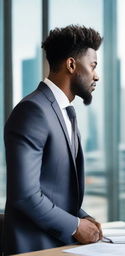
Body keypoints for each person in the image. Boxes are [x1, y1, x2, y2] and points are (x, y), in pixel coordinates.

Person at [3, 25, 103, 255]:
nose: (96, 75)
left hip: (60, 246)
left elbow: (56, 190)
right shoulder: (33, 111)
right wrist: (76, 227)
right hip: (35, 248)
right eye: (93, 65)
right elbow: (26, 195)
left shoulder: (65, 112)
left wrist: (83, 217)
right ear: (71, 65)